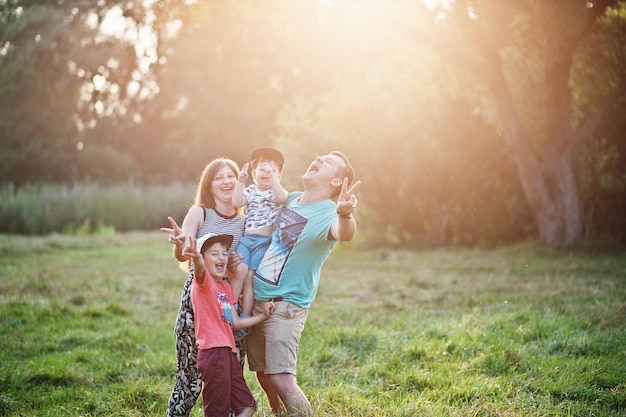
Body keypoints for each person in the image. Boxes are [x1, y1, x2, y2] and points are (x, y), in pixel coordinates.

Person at [246, 151, 361, 417]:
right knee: (263, 375)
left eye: (328, 162)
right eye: (320, 156)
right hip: (259, 302)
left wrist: (345, 214)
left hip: (285, 306)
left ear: (335, 182)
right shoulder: (294, 199)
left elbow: (344, 233)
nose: (319, 158)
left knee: (281, 378)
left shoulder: (329, 214)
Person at [160, 158, 246, 417]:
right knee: (190, 375)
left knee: (230, 375)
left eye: (231, 175)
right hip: (199, 299)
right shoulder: (200, 213)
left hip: (229, 300)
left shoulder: (244, 221)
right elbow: (184, 252)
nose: (226, 181)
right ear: (209, 184)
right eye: (219, 177)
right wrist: (179, 243)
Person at [182, 232, 275, 417]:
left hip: (228, 353)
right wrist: (196, 256)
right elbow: (200, 268)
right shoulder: (203, 283)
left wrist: (263, 316)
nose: (221, 258)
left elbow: (236, 322)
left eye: (224, 253)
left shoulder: (224, 287)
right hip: (213, 352)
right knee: (218, 411)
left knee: (248, 406)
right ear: (202, 258)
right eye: (214, 254)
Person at [231, 147, 288, 328]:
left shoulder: (276, 192)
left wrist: (273, 180)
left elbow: (282, 198)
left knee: (250, 278)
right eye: (263, 169)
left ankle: (245, 317)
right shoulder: (251, 191)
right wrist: (241, 181)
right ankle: (230, 310)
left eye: (272, 170)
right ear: (254, 174)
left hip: (264, 242)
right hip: (247, 240)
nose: (267, 173)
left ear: (278, 176)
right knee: (239, 271)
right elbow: (237, 202)